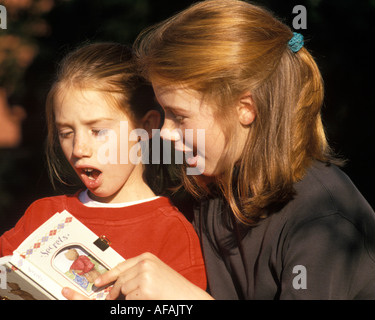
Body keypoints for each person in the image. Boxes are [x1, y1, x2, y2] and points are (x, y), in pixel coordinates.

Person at [63, 0, 375, 300]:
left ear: (244, 108)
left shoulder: (322, 218)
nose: (166, 132)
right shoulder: (211, 195)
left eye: (180, 116)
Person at [0, 42, 206, 300]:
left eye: (98, 131)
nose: (79, 148)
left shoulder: (172, 233)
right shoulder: (41, 216)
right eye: (66, 133)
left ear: (146, 128)